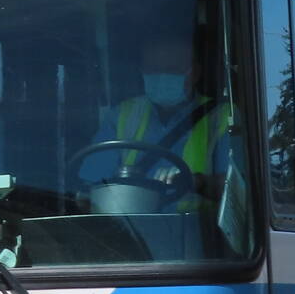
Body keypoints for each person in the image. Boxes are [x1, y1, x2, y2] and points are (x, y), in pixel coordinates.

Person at [79, 24, 239, 215]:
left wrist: (198, 182)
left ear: (194, 72)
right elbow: (91, 185)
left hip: (199, 234)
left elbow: (238, 189)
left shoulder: (222, 117)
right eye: (153, 70)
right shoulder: (122, 115)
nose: (162, 77)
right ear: (142, 71)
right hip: (129, 231)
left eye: (171, 70)